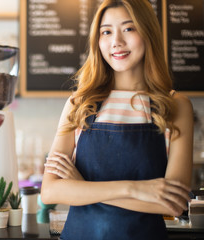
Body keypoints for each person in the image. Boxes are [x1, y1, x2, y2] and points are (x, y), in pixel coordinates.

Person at [40, 0, 194, 239]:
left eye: (129, 29)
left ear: (148, 32)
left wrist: (81, 187)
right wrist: (136, 188)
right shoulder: (79, 104)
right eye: (106, 32)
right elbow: (49, 192)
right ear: (97, 41)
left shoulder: (175, 106)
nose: (116, 42)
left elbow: (172, 205)